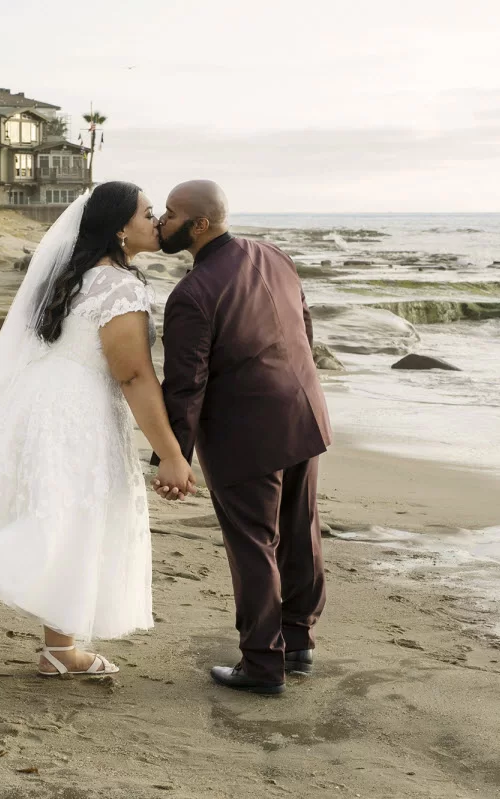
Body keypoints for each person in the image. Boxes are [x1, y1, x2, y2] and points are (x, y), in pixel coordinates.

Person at [0, 182, 195, 676]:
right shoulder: (120, 287)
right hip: (77, 409)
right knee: (69, 514)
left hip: (36, 398)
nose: (156, 221)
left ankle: (61, 649)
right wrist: (172, 454)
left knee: (67, 514)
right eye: (147, 213)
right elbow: (132, 374)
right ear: (119, 227)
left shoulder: (71, 278)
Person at [154, 180, 332, 695]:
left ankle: (261, 663)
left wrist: (173, 457)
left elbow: (186, 384)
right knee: (301, 533)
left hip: (244, 435)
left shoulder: (192, 294)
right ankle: (298, 642)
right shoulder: (274, 254)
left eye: (170, 214)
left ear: (200, 225)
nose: (163, 222)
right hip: (303, 413)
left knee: (254, 545)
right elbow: (304, 328)